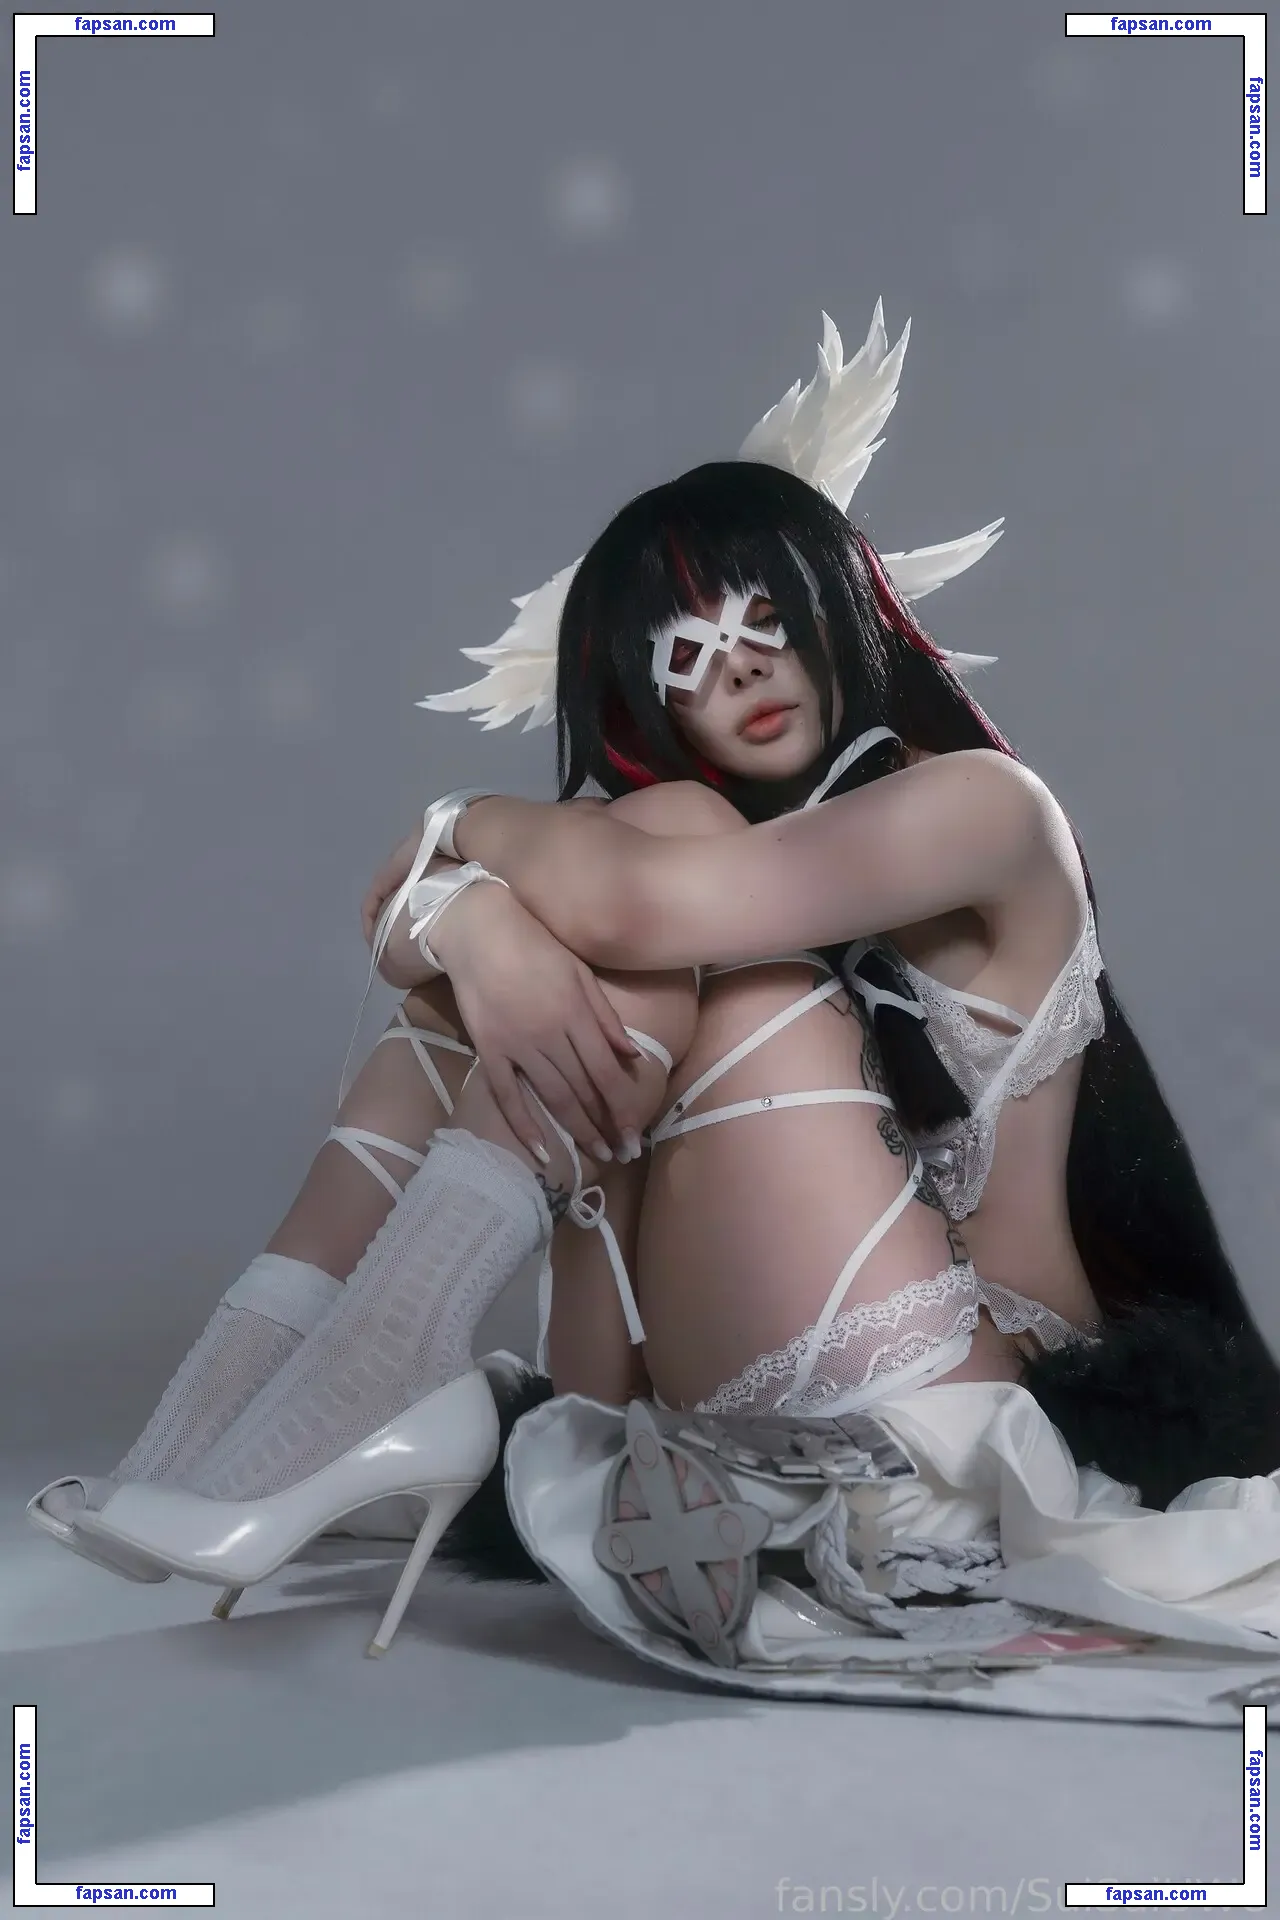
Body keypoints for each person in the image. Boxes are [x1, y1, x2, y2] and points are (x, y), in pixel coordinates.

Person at [29, 307, 1280, 1675]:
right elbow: (418, 936)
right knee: (541, 957)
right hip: (688, 1390)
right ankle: (216, 1438)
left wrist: (462, 836)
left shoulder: (984, 806)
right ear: (654, 706)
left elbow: (623, 901)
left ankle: (364, 1383)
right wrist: (487, 940)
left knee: (647, 873)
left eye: (765, 619)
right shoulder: (685, 880)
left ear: (843, 611)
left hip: (952, 1427)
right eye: (683, 655)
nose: (735, 663)